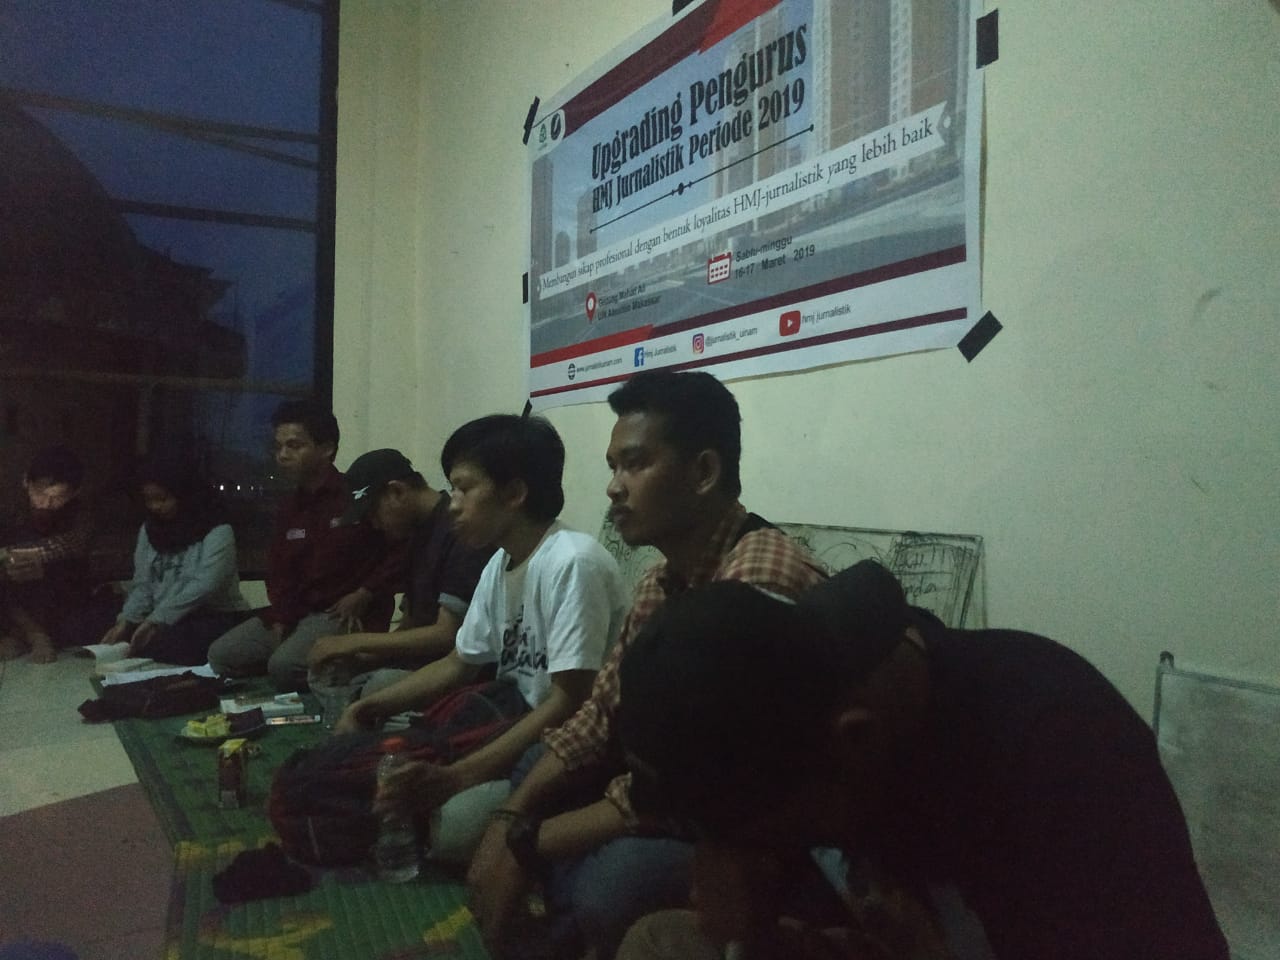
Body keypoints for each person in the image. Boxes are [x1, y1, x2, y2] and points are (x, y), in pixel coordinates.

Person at [613, 562, 1230, 960]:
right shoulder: (816, 689)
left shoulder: (1058, 759)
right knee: (658, 944)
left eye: (764, 832)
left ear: (854, 739)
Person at [466, 370, 827, 960]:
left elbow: (692, 786)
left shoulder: (755, 584)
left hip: (763, 825)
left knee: (612, 884)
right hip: (674, 787)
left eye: (634, 464)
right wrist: (514, 816)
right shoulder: (662, 582)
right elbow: (597, 717)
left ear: (703, 472)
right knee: (537, 767)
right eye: (613, 467)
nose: (614, 487)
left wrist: (526, 842)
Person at [337, 414, 628, 864]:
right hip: (507, 720)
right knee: (380, 733)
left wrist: (457, 776)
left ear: (513, 493)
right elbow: (460, 662)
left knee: (450, 828)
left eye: (463, 488)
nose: (452, 504)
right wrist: (367, 708)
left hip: (559, 747)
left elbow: (568, 703)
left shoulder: (573, 562)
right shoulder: (500, 562)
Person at [207, 400, 405, 690]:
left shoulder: (357, 496)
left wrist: (366, 592)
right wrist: (281, 616)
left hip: (341, 612)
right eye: (278, 447)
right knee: (221, 656)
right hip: (297, 611)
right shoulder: (289, 507)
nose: (282, 455)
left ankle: (341, 666)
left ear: (326, 448)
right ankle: (304, 666)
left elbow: (400, 550)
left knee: (284, 667)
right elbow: (278, 569)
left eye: (294, 446)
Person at [305, 448, 492, 698]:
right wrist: (367, 656)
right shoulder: (415, 535)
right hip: (417, 661)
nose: (374, 524)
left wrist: (354, 642)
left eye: (373, 513)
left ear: (397, 492)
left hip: (455, 667)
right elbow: (411, 622)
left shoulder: (457, 532)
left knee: (377, 686)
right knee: (328, 672)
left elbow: (447, 635)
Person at [96, 455, 249, 665]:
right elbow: (143, 583)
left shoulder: (217, 530)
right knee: (113, 630)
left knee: (165, 644)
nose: (155, 507)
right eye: (149, 500)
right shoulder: (150, 529)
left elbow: (205, 585)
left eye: (162, 499)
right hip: (163, 617)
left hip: (213, 615)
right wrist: (126, 620)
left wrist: (157, 620)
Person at [0, 446, 92, 663]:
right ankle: (29, 634)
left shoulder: (81, 514)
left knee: (59, 570)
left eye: (58, 497)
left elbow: (73, 544)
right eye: (40, 494)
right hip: (13, 595)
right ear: (26, 482)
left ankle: (33, 635)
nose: (46, 504)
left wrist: (19, 555)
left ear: (75, 493)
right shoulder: (11, 513)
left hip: (60, 597)